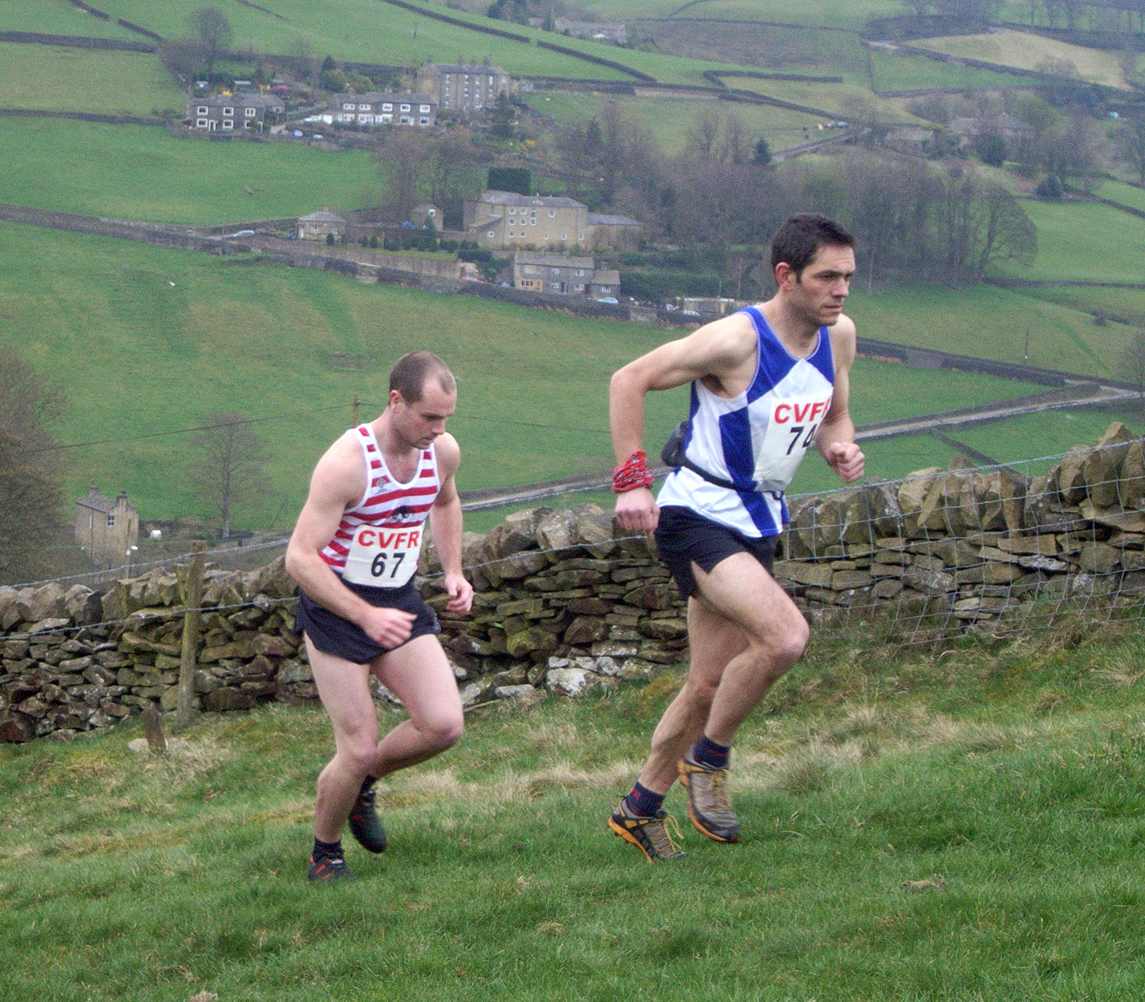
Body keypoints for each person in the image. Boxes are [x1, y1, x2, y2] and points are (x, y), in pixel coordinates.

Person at [607, 213, 865, 862]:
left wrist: (840, 448)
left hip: (757, 521)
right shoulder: (734, 342)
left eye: (847, 277)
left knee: (705, 682)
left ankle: (640, 806)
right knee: (784, 637)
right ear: (786, 276)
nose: (840, 291)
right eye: (826, 277)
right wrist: (632, 482)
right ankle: (709, 759)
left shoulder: (839, 338)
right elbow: (626, 378)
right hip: (695, 515)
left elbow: (833, 414)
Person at [286, 350, 473, 882]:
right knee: (358, 744)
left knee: (442, 725)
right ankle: (325, 852)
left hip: (397, 599)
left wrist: (454, 571)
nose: (439, 430)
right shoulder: (348, 462)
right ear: (395, 401)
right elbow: (299, 557)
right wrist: (364, 615)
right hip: (337, 608)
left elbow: (445, 503)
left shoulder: (442, 453)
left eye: (446, 419)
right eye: (429, 417)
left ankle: (364, 786)